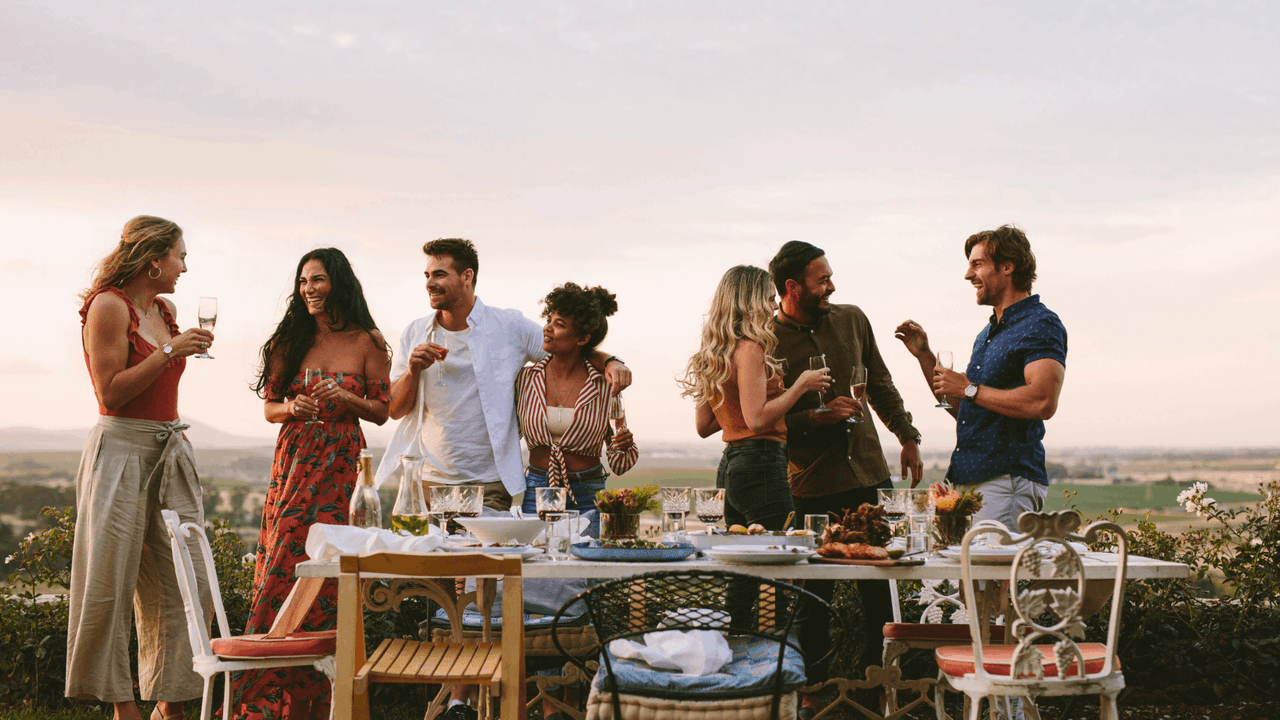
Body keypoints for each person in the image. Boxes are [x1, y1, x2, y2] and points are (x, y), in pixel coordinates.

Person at [67, 215, 215, 720]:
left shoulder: (165, 310)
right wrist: (171, 350)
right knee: (109, 581)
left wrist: (174, 346)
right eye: (180, 256)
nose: (184, 267)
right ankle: (122, 705)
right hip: (121, 450)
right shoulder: (108, 306)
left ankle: (171, 701)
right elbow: (110, 392)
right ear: (155, 260)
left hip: (169, 450)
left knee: (189, 579)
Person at [768, 241, 923, 716]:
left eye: (830, 277)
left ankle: (879, 694)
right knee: (812, 600)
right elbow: (762, 421)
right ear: (792, 287)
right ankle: (814, 697)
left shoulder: (853, 319)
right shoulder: (765, 341)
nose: (832, 287)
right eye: (822, 280)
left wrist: (907, 435)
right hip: (811, 485)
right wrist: (817, 417)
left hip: (870, 478)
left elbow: (881, 384)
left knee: (882, 593)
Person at [237, 248, 391, 720]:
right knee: (286, 560)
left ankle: (324, 698)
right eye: (303, 281)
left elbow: (382, 411)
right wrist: (292, 408)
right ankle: (263, 692)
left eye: (318, 279)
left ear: (338, 282)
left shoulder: (368, 341)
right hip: (295, 463)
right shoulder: (289, 340)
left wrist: (345, 396)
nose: (309, 289)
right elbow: (270, 408)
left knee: (334, 568)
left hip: (342, 465)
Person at [378, 238, 631, 506]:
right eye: (427, 275)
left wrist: (611, 361)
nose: (429, 283)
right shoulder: (415, 332)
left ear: (467, 276)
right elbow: (394, 409)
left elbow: (569, 347)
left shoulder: (509, 327)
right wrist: (413, 372)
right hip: (427, 482)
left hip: (489, 485)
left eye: (439, 274)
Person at [894, 224, 1066, 531]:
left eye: (977, 264)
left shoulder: (1040, 323)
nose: (968, 275)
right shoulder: (987, 333)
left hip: (1006, 483)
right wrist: (924, 356)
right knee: (966, 565)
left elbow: (1042, 402)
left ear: (1007, 267)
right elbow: (966, 410)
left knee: (994, 564)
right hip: (969, 481)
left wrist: (970, 389)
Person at [678, 265, 831, 532]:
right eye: (769, 298)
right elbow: (757, 420)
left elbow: (704, 426)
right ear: (749, 302)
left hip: (730, 469)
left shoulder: (712, 354)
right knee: (778, 549)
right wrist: (801, 385)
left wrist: (737, 406)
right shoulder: (751, 349)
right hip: (762, 466)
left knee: (742, 552)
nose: (774, 306)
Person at [516, 282, 638, 520]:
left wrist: (623, 444)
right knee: (538, 546)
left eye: (559, 324)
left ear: (582, 338)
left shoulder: (604, 385)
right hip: (538, 489)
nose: (547, 328)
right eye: (549, 320)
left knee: (589, 546)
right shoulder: (526, 379)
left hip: (588, 492)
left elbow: (619, 464)